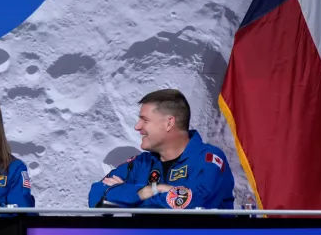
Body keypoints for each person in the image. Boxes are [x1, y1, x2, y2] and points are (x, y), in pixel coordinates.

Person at [88, 89, 235, 210]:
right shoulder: (140, 163)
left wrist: (128, 196)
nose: (137, 127)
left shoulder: (208, 159)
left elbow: (192, 203)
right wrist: (149, 190)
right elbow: (96, 196)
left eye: (145, 120)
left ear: (169, 123)